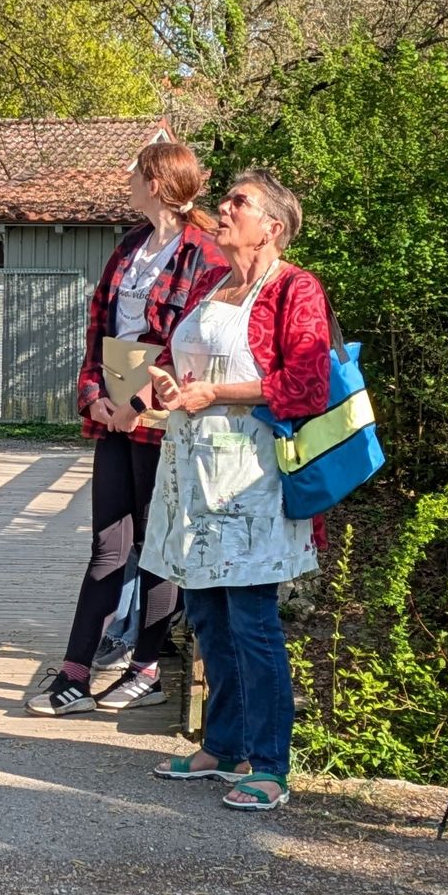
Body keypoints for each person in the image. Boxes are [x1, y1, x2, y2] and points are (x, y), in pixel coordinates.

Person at [139, 169, 334, 813]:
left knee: (252, 620)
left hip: (254, 480)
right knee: (205, 614)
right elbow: (181, 358)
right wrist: (167, 382)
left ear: (271, 227)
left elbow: (307, 386)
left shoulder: (295, 289)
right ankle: (222, 746)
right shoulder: (212, 283)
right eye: (225, 200)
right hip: (195, 475)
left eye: (237, 202)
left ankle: (270, 764)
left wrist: (215, 393)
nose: (222, 208)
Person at [28, 137, 229, 717]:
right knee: (107, 544)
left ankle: (145, 669)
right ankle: (74, 674)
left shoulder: (203, 256)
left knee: (155, 543)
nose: (129, 180)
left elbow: (189, 343)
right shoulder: (130, 247)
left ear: (157, 184)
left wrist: (137, 403)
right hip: (114, 415)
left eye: (137, 173)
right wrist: (93, 395)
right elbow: (99, 328)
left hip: (161, 420)